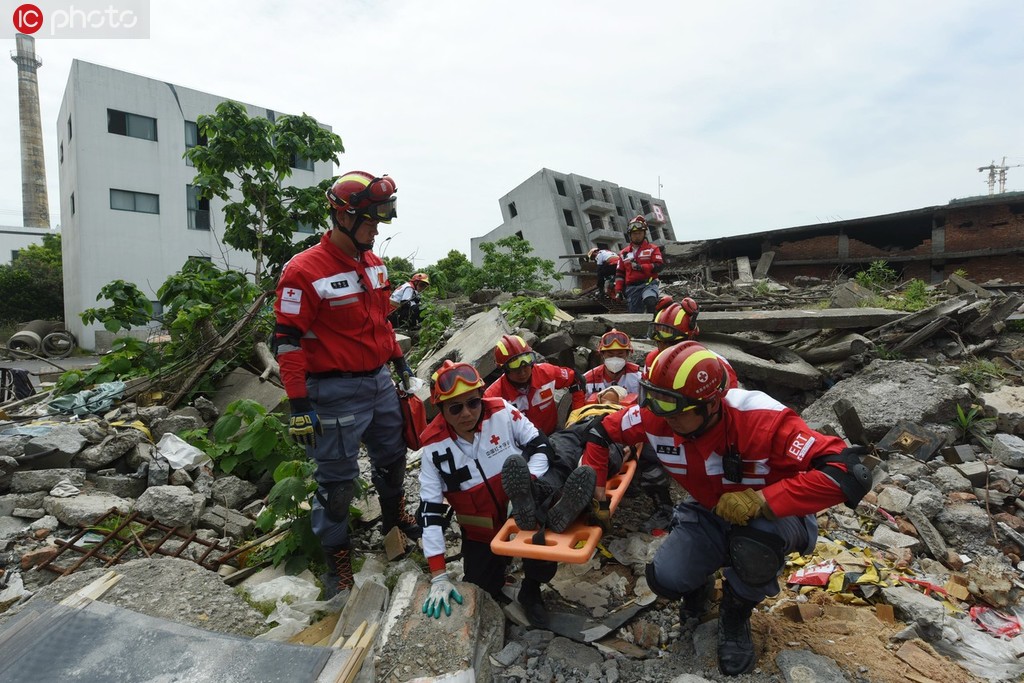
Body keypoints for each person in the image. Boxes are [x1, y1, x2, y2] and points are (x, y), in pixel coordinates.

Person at [580, 342, 870, 676]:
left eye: (673, 409)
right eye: (653, 401)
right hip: (709, 509)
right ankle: (700, 584)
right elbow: (599, 433)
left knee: (755, 549)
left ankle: (735, 613)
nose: (662, 416)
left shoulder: (761, 419)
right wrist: (598, 496)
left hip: (778, 517)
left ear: (711, 404)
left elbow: (849, 474)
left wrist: (764, 500)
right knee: (665, 578)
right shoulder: (656, 416)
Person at [274, 170, 421, 598]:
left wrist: (400, 363)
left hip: (378, 382)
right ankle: (337, 565)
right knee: (337, 485)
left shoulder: (374, 264)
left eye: (380, 220)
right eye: (371, 221)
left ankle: (396, 522)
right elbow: (286, 342)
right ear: (343, 217)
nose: (377, 229)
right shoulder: (303, 271)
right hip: (333, 392)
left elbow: (381, 322)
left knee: (393, 458)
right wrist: (299, 404)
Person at [417, 361, 596, 627]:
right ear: (440, 409)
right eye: (455, 407)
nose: (467, 413)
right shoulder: (433, 447)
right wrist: (439, 575)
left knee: (541, 545)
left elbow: (541, 446)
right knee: (482, 586)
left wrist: (531, 482)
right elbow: (430, 513)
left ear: (481, 398)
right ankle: (499, 581)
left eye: (473, 403)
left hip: (520, 512)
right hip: (481, 530)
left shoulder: (501, 412)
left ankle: (531, 589)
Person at [483, 334, 585, 435]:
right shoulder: (492, 396)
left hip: (552, 435)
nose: (522, 373)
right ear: (503, 369)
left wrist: (576, 416)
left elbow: (576, 379)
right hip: (520, 446)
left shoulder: (547, 372)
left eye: (526, 365)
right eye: (515, 368)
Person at [613, 215, 664, 313]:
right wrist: (618, 290)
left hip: (648, 284)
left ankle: (653, 325)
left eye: (639, 233)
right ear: (630, 235)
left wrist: (641, 267)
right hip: (632, 288)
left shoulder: (653, 249)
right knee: (636, 314)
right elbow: (619, 274)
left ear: (644, 233)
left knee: (650, 301)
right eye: (634, 233)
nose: (637, 236)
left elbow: (659, 266)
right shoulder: (624, 253)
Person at [583, 329, 642, 400]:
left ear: (627, 354)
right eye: (610, 355)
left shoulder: (639, 378)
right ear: (602, 355)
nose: (615, 359)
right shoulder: (588, 379)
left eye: (620, 355)